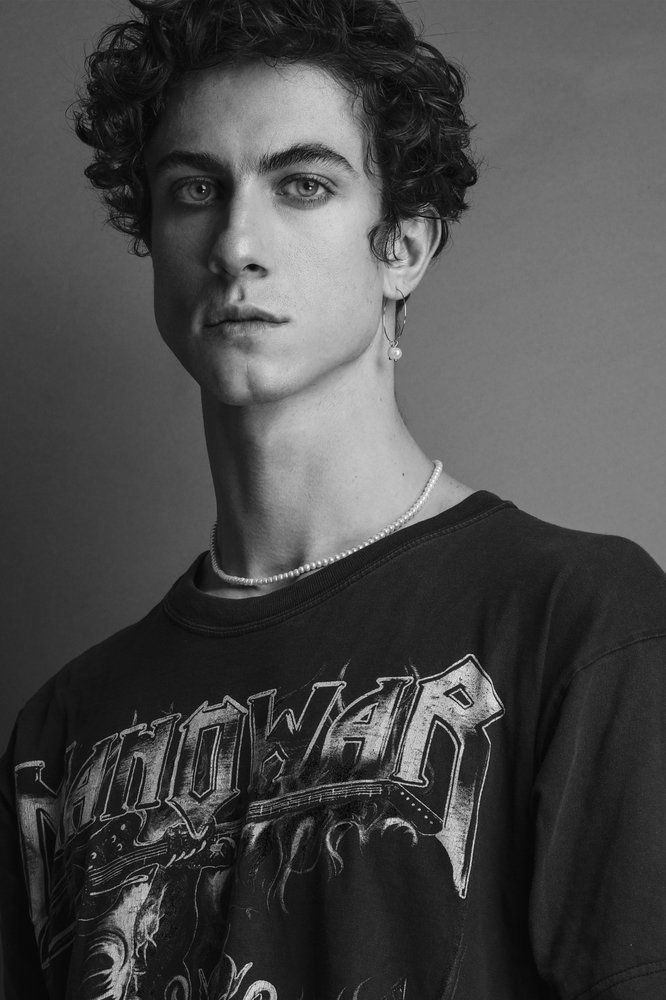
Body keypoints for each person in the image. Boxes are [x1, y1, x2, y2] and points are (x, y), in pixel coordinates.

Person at [1, 0, 665, 997]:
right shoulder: (61, 729)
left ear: (402, 247)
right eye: (195, 189)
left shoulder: (578, 622)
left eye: (303, 185)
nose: (236, 242)